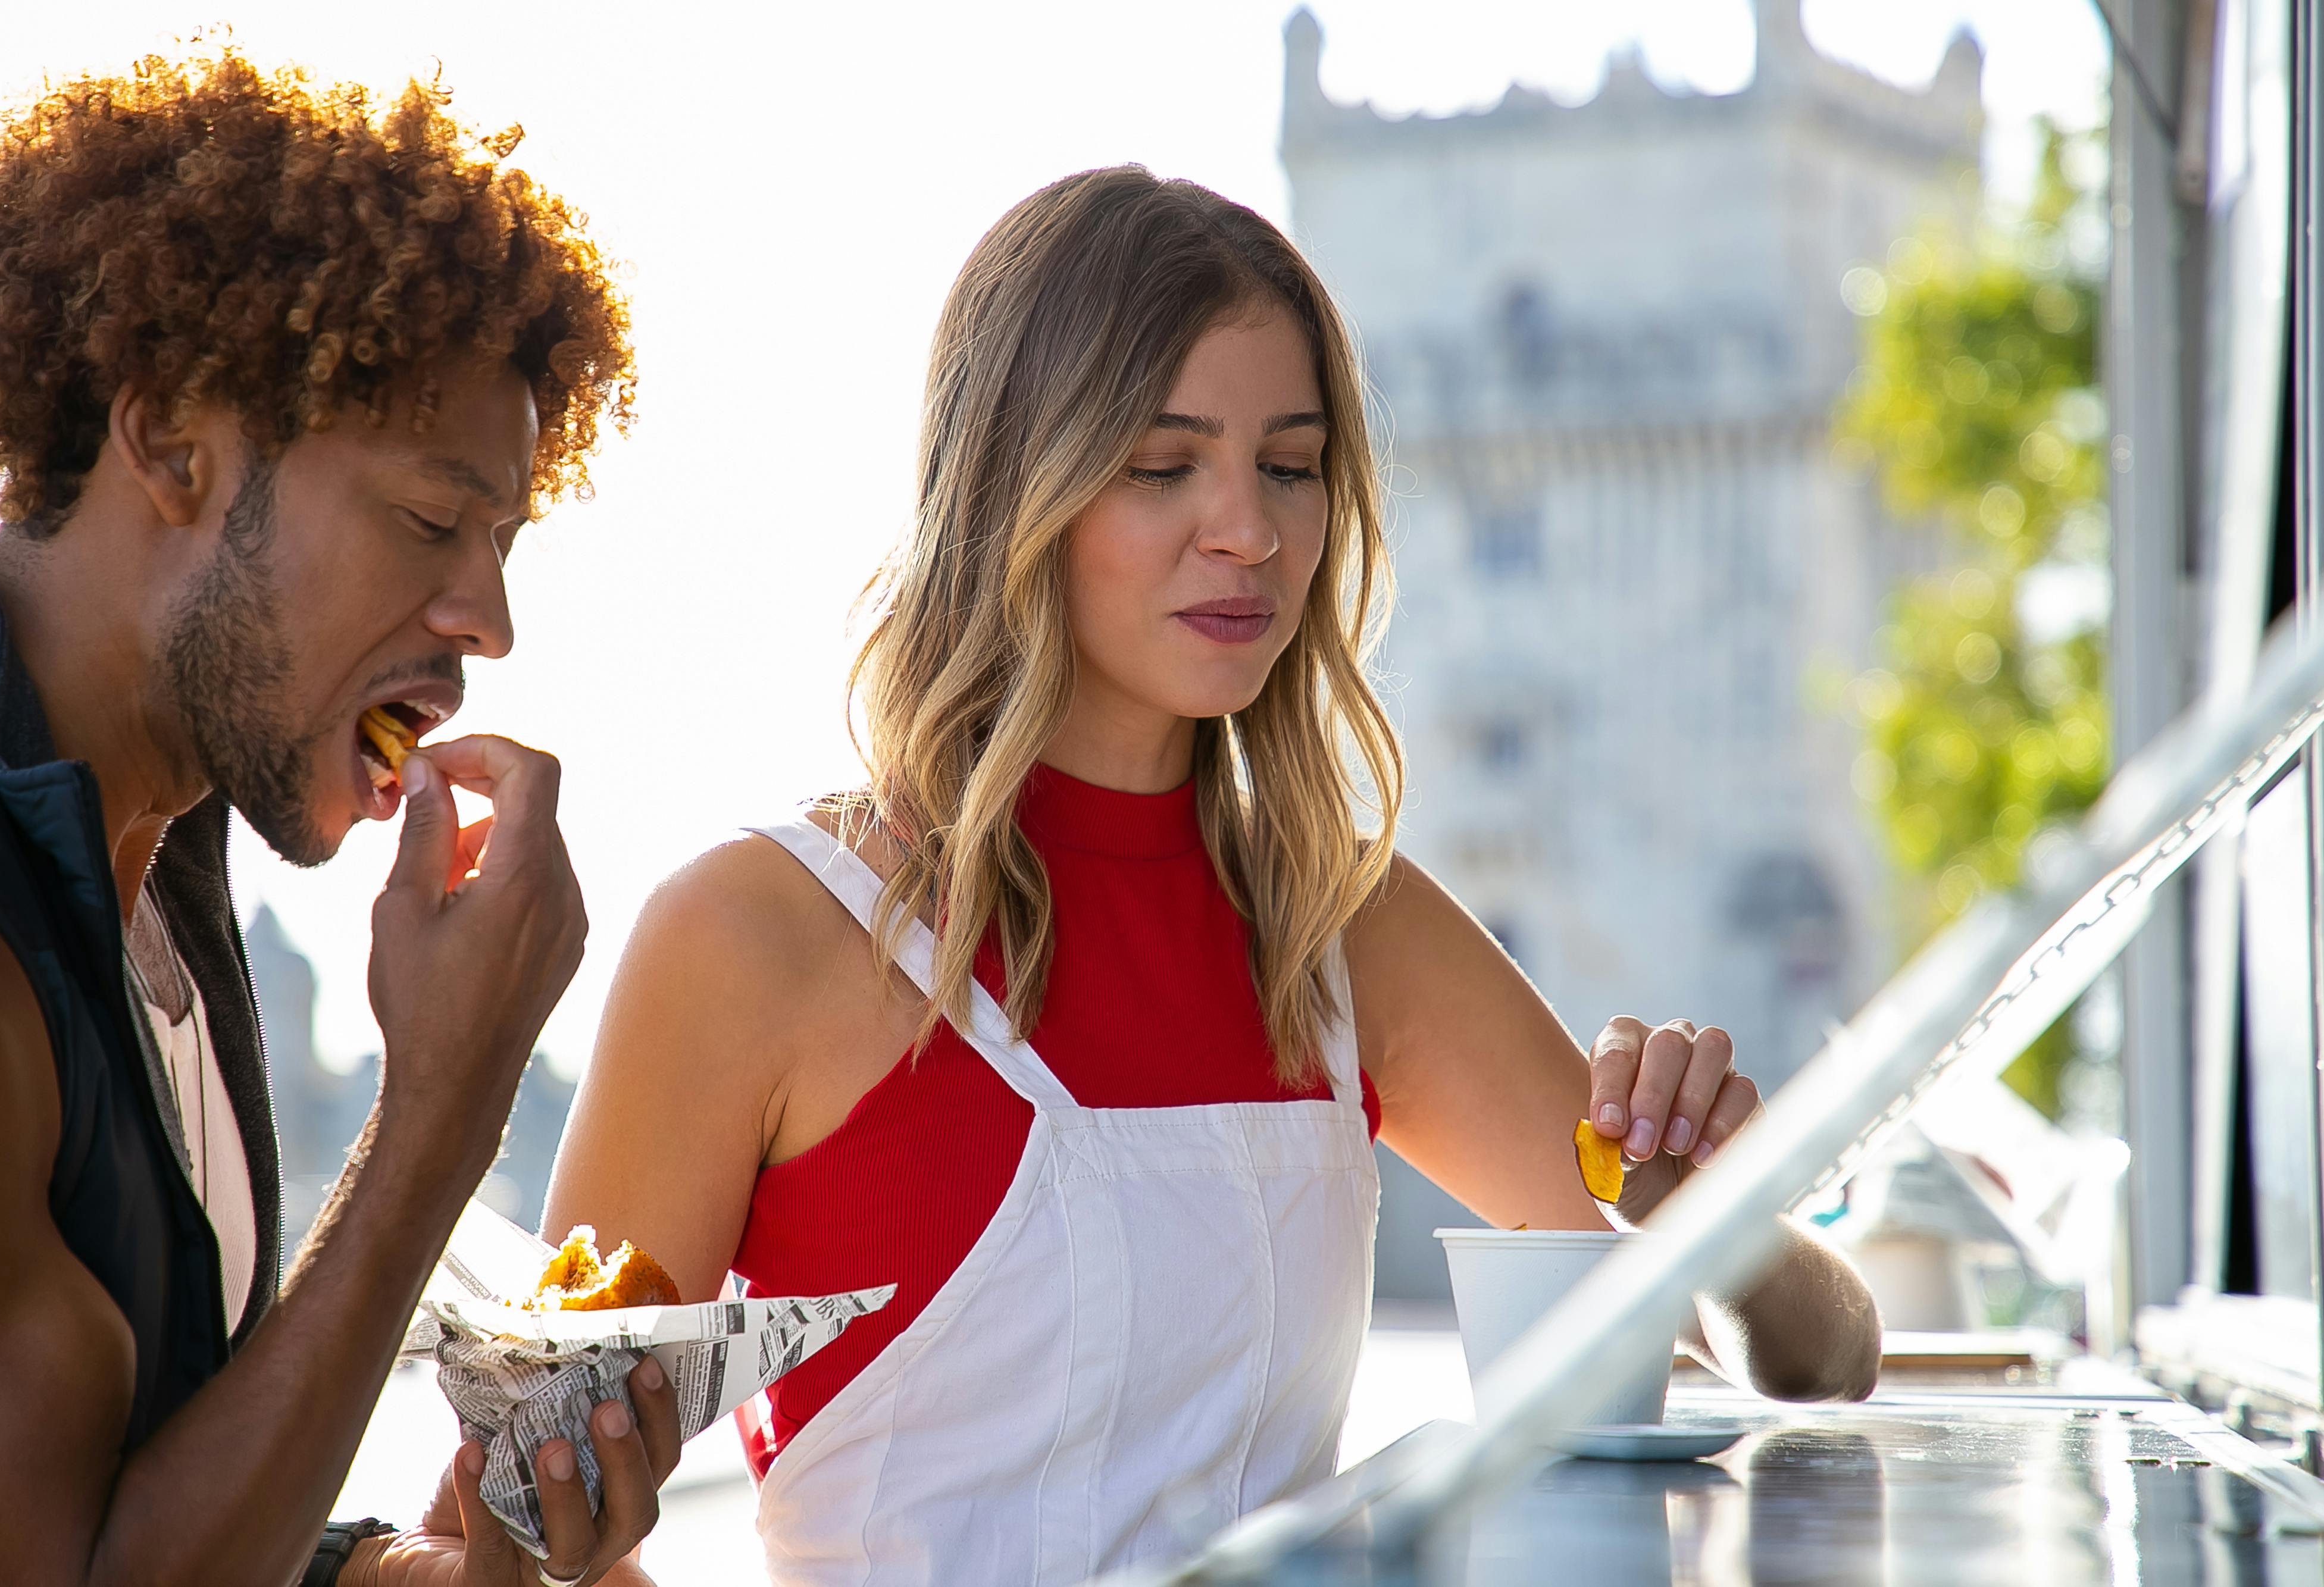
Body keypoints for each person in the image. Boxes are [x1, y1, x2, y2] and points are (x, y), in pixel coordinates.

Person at [547, 166, 1884, 1585]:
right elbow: (531, 1523)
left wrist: (1713, 1209)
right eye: (1162, 461)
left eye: (1292, 464)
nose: (1249, 528)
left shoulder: (1346, 929)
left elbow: (1823, 1355)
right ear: (1018, 482)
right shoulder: (755, 937)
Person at [0, 49, 677, 1586]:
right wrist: (438, 1117)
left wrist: (456, 1566)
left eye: (503, 536)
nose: (488, 618)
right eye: (429, 519)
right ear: (171, 443)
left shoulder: (165, 854)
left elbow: (136, 1510)